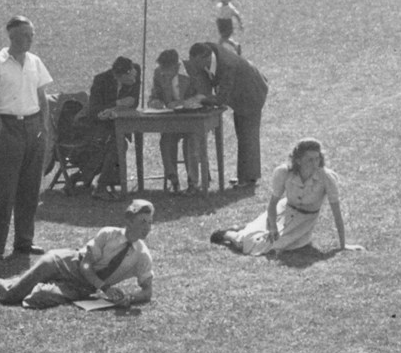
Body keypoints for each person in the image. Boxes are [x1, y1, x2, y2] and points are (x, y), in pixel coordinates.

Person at [0, 199, 155, 310]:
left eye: (149, 222)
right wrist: (105, 288)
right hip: (65, 262)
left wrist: (129, 298)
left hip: (82, 287)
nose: (147, 227)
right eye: (142, 222)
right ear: (129, 221)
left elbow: (147, 291)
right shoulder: (108, 233)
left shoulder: (142, 255)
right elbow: (85, 265)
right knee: (11, 297)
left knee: (37, 298)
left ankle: (28, 284)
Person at [0, 17, 52, 261]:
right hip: (10, 127)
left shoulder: (35, 62)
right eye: (24, 35)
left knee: (31, 189)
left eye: (31, 34)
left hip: (33, 126)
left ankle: (24, 241)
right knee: (5, 190)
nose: (29, 39)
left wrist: (43, 126)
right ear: (11, 36)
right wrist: (1, 131)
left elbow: (42, 96)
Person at [210, 138, 361, 255]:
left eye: (317, 159)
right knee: (247, 241)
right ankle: (229, 234)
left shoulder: (327, 177)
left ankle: (241, 230)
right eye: (309, 159)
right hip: (283, 211)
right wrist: (273, 227)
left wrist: (343, 245)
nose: (314, 163)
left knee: (274, 245)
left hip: (304, 220)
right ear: (298, 160)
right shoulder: (284, 173)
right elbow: (272, 203)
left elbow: (337, 213)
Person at [186, 41, 268, 186]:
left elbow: (222, 98)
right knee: (242, 132)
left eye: (196, 62)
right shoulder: (208, 51)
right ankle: (245, 175)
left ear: (205, 57)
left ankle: (248, 179)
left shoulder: (227, 65)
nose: (195, 66)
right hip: (239, 91)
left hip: (252, 91)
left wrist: (202, 99)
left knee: (247, 135)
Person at [72, 56, 141, 198]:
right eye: (131, 77)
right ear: (121, 75)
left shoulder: (135, 73)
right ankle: (100, 187)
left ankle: (82, 177)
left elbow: (133, 102)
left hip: (118, 125)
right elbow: (95, 109)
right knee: (117, 145)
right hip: (94, 125)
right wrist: (115, 105)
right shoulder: (101, 80)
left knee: (117, 143)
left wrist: (123, 105)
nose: (134, 79)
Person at [147, 49, 204, 193]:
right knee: (166, 141)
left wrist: (182, 103)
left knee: (190, 143)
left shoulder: (192, 71)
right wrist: (155, 102)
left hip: (193, 121)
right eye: (162, 70)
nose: (164, 74)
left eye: (167, 71)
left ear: (176, 67)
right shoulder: (158, 74)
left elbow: (202, 96)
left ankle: (193, 183)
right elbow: (153, 96)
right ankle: (173, 180)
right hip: (172, 122)